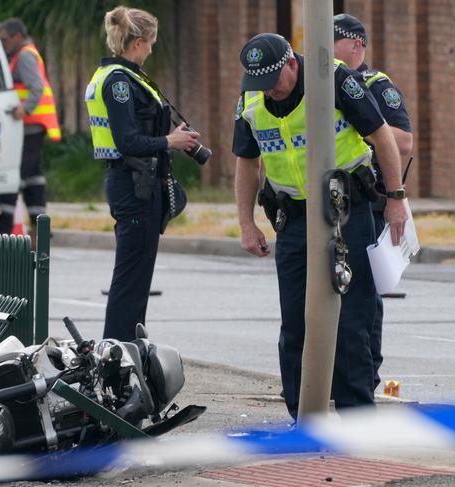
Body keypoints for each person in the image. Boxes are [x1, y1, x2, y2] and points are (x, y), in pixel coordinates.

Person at [233, 33, 408, 420]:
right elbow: (246, 162)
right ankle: (303, 418)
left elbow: (382, 135)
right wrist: (246, 223)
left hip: (348, 210)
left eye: (274, 82)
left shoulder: (334, 79)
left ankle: (357, 418)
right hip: (293, 217)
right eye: (259, 85)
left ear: (292, 64)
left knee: (352, 320)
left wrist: (395, 198)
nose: (269, 93)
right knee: (295, 322)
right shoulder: (251, 99)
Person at [84, 6, 199, 342]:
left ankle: (130, 353)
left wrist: (169, 135)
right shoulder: (119, 82)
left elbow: (135, 130)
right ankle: (118, 357)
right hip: (133, 185)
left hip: (137, 183)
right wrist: (169, 140)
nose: (151, 49)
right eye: (150, 43)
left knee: (135, 282)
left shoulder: (118, 75)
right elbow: (127, 141)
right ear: (136, 42)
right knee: (130, 282)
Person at [333, 13, 413, 392]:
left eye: (331, 40)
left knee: (365, 293)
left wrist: (362, 129)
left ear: (355, 44)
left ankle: (367, 373)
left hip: (372, 199)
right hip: (332, 201)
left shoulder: (376, 85)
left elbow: (403, 140)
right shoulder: (324, 83)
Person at [0, 18, 62, 244]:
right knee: (33, 177)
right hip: (30, 126)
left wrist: (24, 109)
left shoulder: (24, 56)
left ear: (16, 36)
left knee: (15, 173)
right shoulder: (24, 53)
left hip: (30, 125)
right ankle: (40, 225)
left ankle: (4, 225)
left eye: (4, 39)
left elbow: (36, 87)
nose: (2, 43)